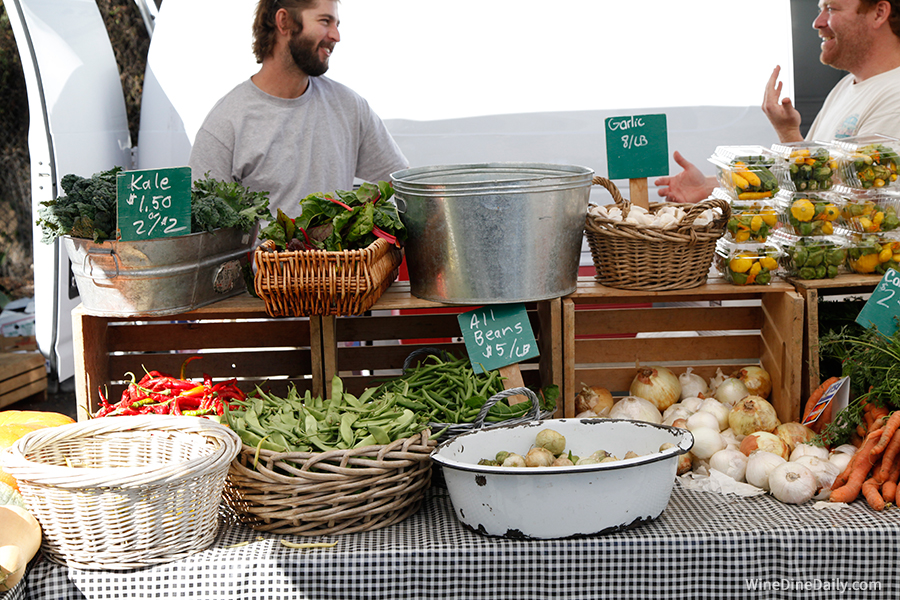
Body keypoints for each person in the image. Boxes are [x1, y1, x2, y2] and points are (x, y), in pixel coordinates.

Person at [655, 0, 900, 203]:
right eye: (820, 9)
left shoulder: (895, 94)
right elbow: (819, 175)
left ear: (879, 13)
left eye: (832, 9)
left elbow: (861, 206)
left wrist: (789, 134)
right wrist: (710, 185)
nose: (818, 22)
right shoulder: (847, 86)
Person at [188, 0, 409, 215]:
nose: (336, 36)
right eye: (325, 21)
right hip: (260, 255)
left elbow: (403, 184)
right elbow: (206, 233)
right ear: (284, 22)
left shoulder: (350, 107)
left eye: (337, 25)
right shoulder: (226, 124)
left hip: (341, 254)